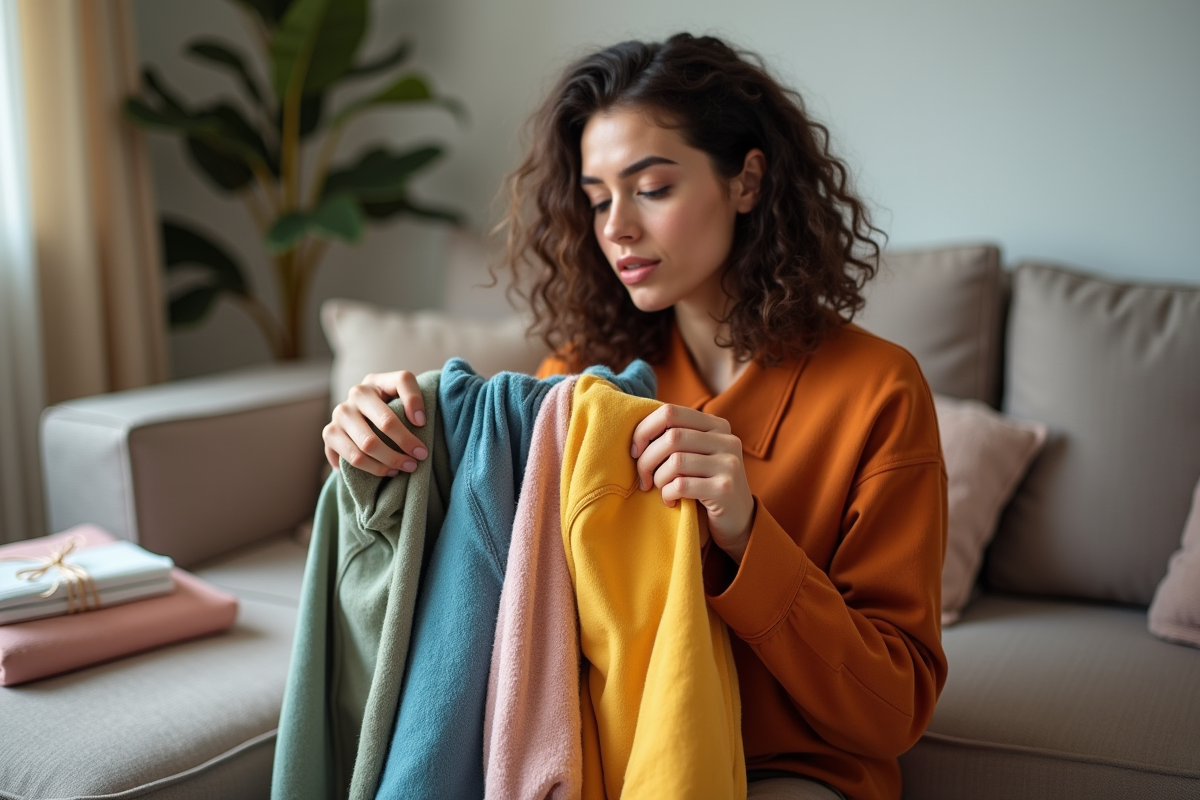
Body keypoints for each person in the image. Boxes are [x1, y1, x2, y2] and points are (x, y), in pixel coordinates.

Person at [322, 33, 947, 800]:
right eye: (596, 199)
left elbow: (894, 710)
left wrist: (747, 534)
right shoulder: (581, 380)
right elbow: (495, 586)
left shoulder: (879, 389)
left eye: (651, 188)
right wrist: (384, 455)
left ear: (747, 181)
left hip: (786, 771)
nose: (616, 226)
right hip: (604, 761)